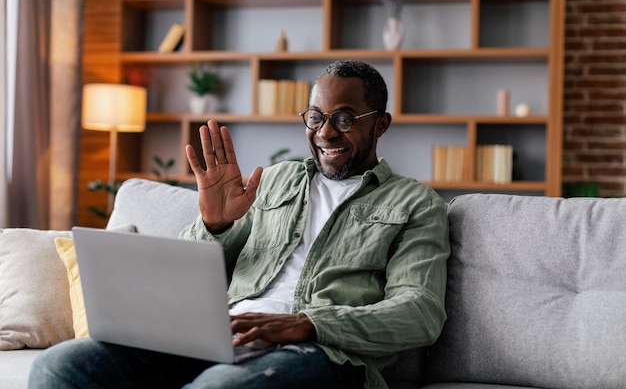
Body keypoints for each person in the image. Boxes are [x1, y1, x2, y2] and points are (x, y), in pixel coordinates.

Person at [29, 59, 449, 389]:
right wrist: (212, 223)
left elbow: (419, 312)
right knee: (59, 367)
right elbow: (187, 277)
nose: (325, 133)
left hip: (320, 354)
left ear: (380, 123)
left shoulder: (415, 203)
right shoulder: (276, 180)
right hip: (219, 334)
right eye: (316, 118)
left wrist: (309, 324)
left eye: (343, 119)